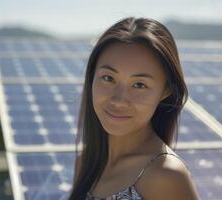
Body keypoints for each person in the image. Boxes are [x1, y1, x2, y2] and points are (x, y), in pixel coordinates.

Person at [68, 17, 199, 200]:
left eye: (139, 85)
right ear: (92, 78)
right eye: (108, 78)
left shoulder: (166, 176)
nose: (119, 100)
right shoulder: (85, 163)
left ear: (165, 90)